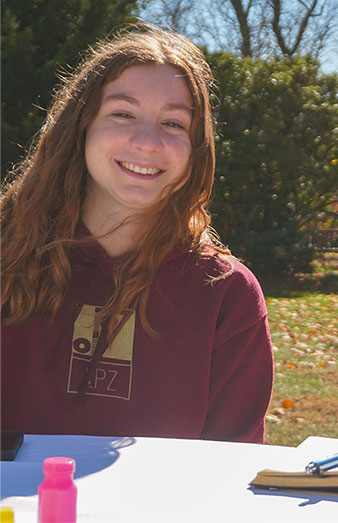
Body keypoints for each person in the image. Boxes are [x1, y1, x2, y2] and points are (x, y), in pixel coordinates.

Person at [1, 25, 273, 443]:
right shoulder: (6, 254)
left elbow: (230, 473)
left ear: (195, 149)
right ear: (81, 127)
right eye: (123, 113)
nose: (147, 142)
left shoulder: (226, 294)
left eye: (173, 123)